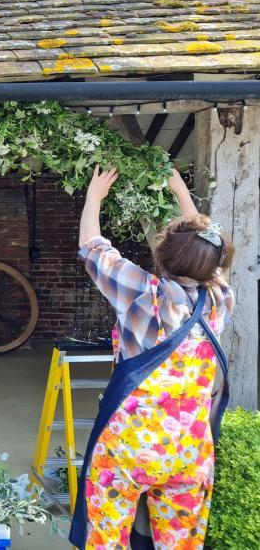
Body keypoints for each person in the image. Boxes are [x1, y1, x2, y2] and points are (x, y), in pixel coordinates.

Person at [69, 166, 234, 550]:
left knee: (106, 539)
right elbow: (215, 261)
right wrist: (183, 195)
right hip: (189, 451)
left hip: (127, 448)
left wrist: (94, 197)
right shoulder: (219, 301)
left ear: (162, 254)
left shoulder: (143, 293)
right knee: (180, 545)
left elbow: (93, 247)